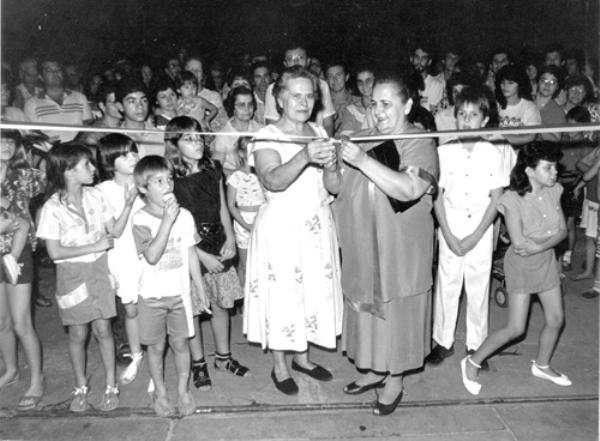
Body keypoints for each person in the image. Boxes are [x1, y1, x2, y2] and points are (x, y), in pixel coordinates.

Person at [334, 72, 439, 416]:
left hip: (400, 249)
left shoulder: (418, 139)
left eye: (387, 104)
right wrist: (328, 161)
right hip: (364, 246)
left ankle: (395, 379)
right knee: (368, 312)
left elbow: (409, 190)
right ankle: (373, 370)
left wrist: (362, 160)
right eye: (373, 104)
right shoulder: (360, 136)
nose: (378, 111)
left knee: (398, 313)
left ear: (407, 105)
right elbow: (336, 187)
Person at [244, 65, 342, 396]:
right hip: (282, 230)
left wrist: (331, 166)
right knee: (284, 296)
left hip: (316, 227)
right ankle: (280, 366)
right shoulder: (265, 136)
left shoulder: (319, 132)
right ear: (280, 98)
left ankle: (303, 357)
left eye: (309, 95)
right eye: (295, 95)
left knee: (312, 294)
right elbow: (273, 179)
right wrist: (304, 155)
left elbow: (333, 185)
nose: (303, 102)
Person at [461, 142, 570, 395]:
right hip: (521, 266)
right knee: (516, 328)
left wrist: (541, 244)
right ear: (530, 171)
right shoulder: (512, 199)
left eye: (555, 167)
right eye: (548, 168)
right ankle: (472, 362)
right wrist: (546, 240)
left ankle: (542, 365)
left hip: (545, 262)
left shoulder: (555, 191)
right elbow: (520, 244)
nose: (555, 173)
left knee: (556, 319)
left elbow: (563, 231)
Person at [426, 86, 509, 369]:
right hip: (450, 223)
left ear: (485, 120)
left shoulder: (493, 152)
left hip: (482, 227)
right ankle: (442, 341)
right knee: (447, 284)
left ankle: (476, 345)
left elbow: (497, 200)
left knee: (478, 286)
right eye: (461, 114)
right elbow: (436, 196)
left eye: (473, 115)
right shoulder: (444, 152)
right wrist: (448, 234)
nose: (466, 120)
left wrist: (476, 236)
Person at [165, 116, 249, 392]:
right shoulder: (171, 177)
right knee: (194, 308)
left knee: (221, 304)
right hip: (191, 247)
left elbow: (223, 206)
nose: (197, 142)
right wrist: (201, 255)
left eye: (199, 136)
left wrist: (230, 239)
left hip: (217, 240)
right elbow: (176, 224)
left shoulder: (213, 167)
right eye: (188, 138)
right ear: (174, 144)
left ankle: (223, 358)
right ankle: (198, 362)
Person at [36, 143, 122, 412]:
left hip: (99, 270)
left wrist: (130, 202)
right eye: (87, 164)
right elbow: (55, 252)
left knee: (103, 329)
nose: (94, 169)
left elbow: (114, 230)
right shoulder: (51, 207)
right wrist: (94, 246)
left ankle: (110, 385)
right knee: (77, 334)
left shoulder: (95, 195)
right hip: (71, 276)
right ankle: (81, 386)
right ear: (68, 171)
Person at [131, 155, 208, 417]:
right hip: (152, 296)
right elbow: (152, 256)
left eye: (170, 179)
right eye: (159, 181)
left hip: (180, 294)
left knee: (181, 344)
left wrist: (200, 286)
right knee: (156, 347)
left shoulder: (184, 215)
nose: (168, 185)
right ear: (143, 189)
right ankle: (161, 392)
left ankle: (183, 390)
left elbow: (190, 253)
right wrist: (166, 220)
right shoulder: (140, 219)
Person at [95, 134, 146, 385]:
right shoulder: (101, 191)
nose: (133, 157)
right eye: (125, 155)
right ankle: (136, 354)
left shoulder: (147, 182)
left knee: (152, 304)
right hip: (120, 256)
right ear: (109, 161)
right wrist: (129, 202)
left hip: (146, 253)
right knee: (130, 308)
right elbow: (113, 231)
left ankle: (153, 350)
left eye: (134, 152)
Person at [0, 129, 44, 410]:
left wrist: (39, 150)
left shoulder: (25, 174)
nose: (4, 145)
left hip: (17, 252)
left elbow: (51, 175)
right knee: (1, 321)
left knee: (20, 321)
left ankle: (37, 379)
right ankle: (11, 369)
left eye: (9, 140)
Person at [263, 44, 336, 136]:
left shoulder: (321, 85)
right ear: (285, 64)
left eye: (300, 57)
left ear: (308, 61)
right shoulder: (273, 88)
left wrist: (324, 145)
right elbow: (271, 123)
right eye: (290, 59)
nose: (296, 62)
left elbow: (328, 123)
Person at [226, 137, 266, 286]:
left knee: (263, 260)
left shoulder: (263, 174)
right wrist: (246, 225)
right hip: (243, 222)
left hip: (262, 218)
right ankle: (245, 299)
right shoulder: (235, 177)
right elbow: (231, 205)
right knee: (245, 263)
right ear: (242, 154)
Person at [24, 57, 93, 143]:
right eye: (49, 71)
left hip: (78, 148)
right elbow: (33, 132)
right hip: (51, 152)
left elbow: (88, 125)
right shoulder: (32, 103)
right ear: (41, 77)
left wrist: (75, 144)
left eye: (58, 70)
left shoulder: (80, 97)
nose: (55, 73)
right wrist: (48, 143)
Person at [213, 86, 263, 176]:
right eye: (241, 105)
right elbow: (216, 168)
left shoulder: (261, 130)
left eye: (250, 104)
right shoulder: (223, 136)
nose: (247, 109)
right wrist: (238, 175)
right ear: (232, 107)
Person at [115, 77, 163, 157]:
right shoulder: (115, 140)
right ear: (120, 106)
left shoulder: (160, 136)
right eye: (132, 101)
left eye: (144, 100)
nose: (140, 106)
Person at [496, 64, 541, 145]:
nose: (505, 86)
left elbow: (531, 136)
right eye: (502, 82)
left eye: (510, 83)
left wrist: (501, 137)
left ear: (520, 84)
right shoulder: (494, 105)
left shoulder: (529, 107)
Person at [183, 56, 228, 132]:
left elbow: (223, 124)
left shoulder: (213, 96)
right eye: (191, 70)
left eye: (198, 71)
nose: (194, 74)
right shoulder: (177, 95)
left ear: (203, 74)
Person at [337, 64, 375, 136]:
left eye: (368, 81)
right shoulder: (351, 110)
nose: (364, 85)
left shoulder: (384, 106)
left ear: (375, 80)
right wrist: (369, 131)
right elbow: (345, 138)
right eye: (360, 82)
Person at [535, 65, 566, 143]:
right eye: (543, 80)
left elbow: (555, 139)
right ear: (538, 82)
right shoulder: (527, 102)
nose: (547, 85)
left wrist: (536, 122)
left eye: (552, 82)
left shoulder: (558, 112)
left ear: (557, 87)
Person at [410, 43, 445, 112]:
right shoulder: (405, 82)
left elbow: (429, 112)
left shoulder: (436, 84)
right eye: (417, 57)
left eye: (423, 59)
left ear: (429, 62)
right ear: (411, 59)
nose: (419, 62)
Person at [325, 61, 358, 132]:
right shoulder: (321, 105)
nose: (335, 80)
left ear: (346, 77)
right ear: (327, 80)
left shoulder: (357, 102)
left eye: (338, 75)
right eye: (330, 76)